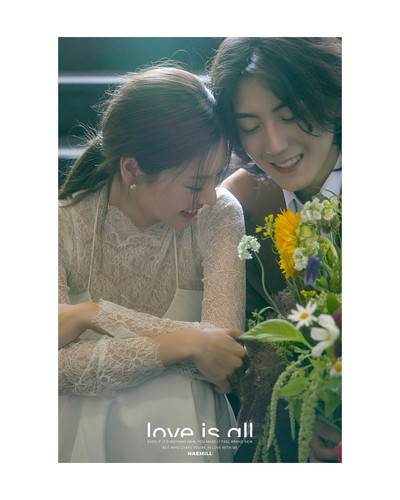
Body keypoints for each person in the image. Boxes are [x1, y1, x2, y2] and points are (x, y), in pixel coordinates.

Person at [58, 65, 247, 463]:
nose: (210, 197)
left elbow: (224, 359)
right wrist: (191, 342)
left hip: (182, 434)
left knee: (174, 393)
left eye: (217, 177)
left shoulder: (219, 215)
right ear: (132, 169)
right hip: (79, 437)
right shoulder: (62, 224)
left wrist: (95, 314)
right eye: (195, 184)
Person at [208, 37, 342, 462]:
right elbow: (237, 351)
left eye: (290, 116)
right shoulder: (242, 205)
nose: (275, 145)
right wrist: (303, 408)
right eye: (250, 127)